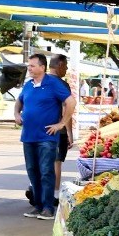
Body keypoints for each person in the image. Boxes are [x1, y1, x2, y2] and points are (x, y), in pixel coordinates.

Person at [14, 54, 74, 220]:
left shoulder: (53, 83)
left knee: (46, 171)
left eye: (32, 66)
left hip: (47, 137)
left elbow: (71, 102)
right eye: (29, 66)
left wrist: (62, 124)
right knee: (33, 171)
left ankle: (48, 207)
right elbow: (19, 101)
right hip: (28, 136)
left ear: (42, 67)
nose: (30, 69)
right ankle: (38, 205)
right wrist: (16, 113)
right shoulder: (28, 85)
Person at [49, 54, 75, 202]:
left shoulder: (40, 81)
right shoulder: (61, 85)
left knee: (43, 161)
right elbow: (68, 110)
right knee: (56, 162)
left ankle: (37, 188)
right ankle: (55, 193)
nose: (66, 69)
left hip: (42, 130)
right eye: (65, 66)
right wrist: (70, 133)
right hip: (59, 130)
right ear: (59, 65)